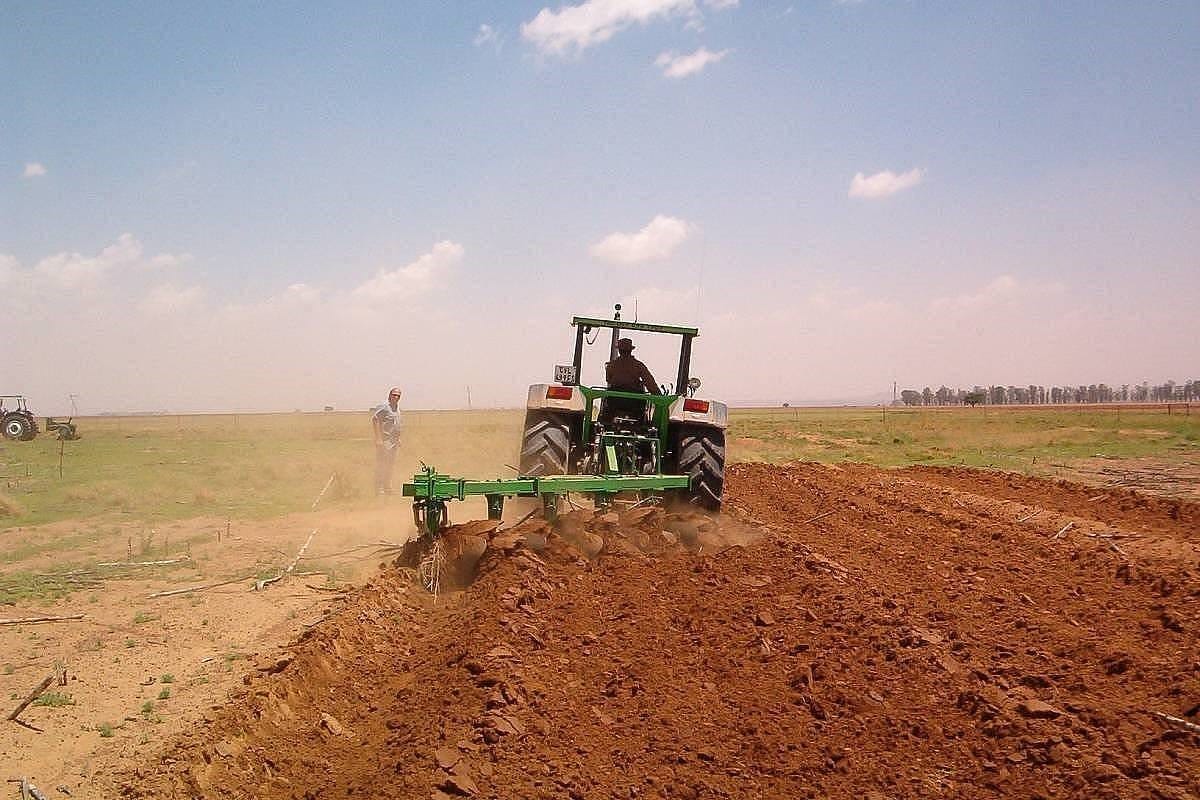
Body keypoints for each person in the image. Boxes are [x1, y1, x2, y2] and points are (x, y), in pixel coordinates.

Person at [603, 338, 661, 421]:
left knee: (605, 410)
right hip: (635, 403)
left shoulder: (611, 365)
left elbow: (608, 379)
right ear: (630, 350)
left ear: (619, 350)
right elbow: (650, 383)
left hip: (615, 402)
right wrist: (659, 396)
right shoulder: (638, 365)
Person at [372, 386, 402, 494]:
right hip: (385, 441)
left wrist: (398, 438)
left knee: (390, 465)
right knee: (382, 464)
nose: (396, 397)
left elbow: (395, 424)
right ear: (389, 395)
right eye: (394, 394)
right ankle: (378, 488)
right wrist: (378, 438)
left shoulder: (397, 407)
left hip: (393, 442)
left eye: (398, 395)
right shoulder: (384, 406)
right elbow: (375, 419)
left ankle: (387, 486)